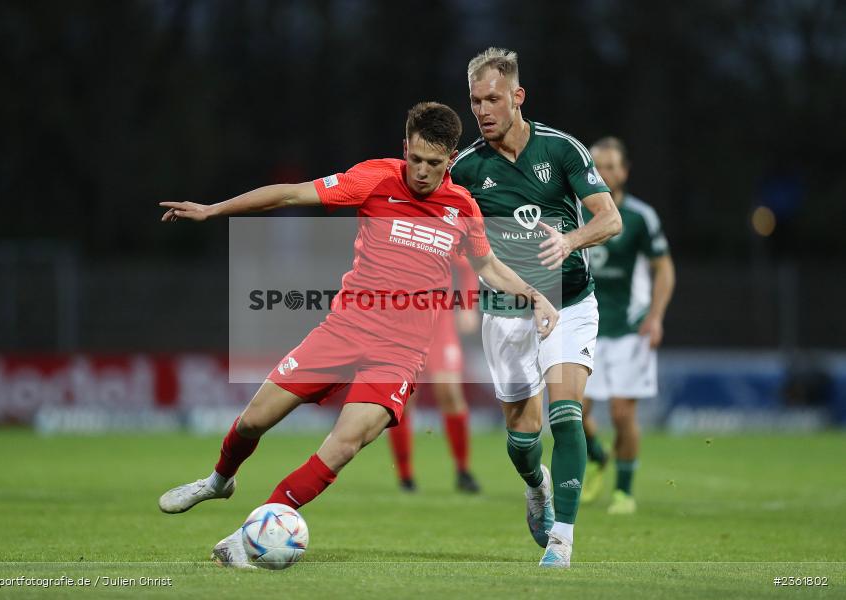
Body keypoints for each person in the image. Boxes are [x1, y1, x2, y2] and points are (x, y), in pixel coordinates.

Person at [156, 101, 558, 569]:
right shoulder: (374, 179)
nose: (423, 172)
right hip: (343, 330)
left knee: (343, 445)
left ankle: (254, 532)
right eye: (416, 159)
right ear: (404, 147)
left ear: (451, 159)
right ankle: (219, 480)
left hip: (399, 354)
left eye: (435, 163)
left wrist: (535, 295)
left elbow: (487, 266)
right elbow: (290, 194)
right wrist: (213, 210)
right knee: (252, 422)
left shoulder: (461, 207)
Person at [449, 48, 621, 567]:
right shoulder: (465, 169)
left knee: (566, 413)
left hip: (569, 302)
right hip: (505, 311)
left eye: (493, 99)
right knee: (522, 443)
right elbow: (447, 238)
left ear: (517, 96)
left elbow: (609, 219)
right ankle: (538, 486)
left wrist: (570, 241)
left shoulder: (561, 150)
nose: (483, 110)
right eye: (475, 101)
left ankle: (562, 539)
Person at [580, 136, 675, 514]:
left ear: (624, 171)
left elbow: (664, 267)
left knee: (622, 413)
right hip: (586, 324)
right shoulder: (575, 209)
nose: (603, 172)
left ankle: (623, 491)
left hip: (630, 328)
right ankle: (597, 455)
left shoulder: (639, 217)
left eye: (610, 166)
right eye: (596, 166)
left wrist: (655, 316)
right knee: (571, 410)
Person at [387, 257, 482, 493]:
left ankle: (463, 470)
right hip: (402, 323)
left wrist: (468, 306)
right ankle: (405, 476)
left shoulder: (441, 222)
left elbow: (467, 265)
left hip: (440, 322)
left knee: (449, 392)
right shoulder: (396, 226)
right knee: (403, 398)